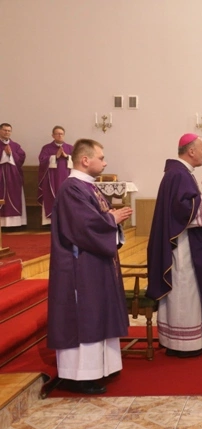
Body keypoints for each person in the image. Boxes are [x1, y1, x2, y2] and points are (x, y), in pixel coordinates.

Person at [47, 138, 132, 395]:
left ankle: (102, 368)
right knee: (86, 316)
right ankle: (80, 376)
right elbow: (84, 227)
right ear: (85, 160)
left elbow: (96, 221)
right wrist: (111, 219)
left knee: (98, 313)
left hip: (95, 263)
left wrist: (111, 221)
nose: (105, 163)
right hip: (80, 267)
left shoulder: (88, 187)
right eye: (101, 157)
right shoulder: (72, 189)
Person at [147, 133, 202, 358]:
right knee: (184, 290)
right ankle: (183, 343)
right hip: (183, 248)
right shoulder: (179, 174)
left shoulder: (179, 173)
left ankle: (180, 340)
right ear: (191, 151)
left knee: (187, 291)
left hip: (187, 244)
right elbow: (184, 212)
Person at [38, 126, 74, 225]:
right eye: (57, 134)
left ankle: (66, 221)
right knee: (50, 197)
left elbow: (77, 161)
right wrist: (55, 157)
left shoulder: (70, 148)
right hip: (51, 179)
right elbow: (42, 161)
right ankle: (50, 222)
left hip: (67, 178)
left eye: (61, 134)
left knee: (67, 198)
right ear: (53, 135)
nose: (60, 135)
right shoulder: (46, 148)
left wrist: (67, 157)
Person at [0, 123, 27, 228]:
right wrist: (3, 154)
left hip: (13, 177)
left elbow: (21, 158)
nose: (7, 132)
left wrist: (11, 154)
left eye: (9, 130)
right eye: (4, 130)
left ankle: (15, 224)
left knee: (14, 198)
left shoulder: (15, 146)